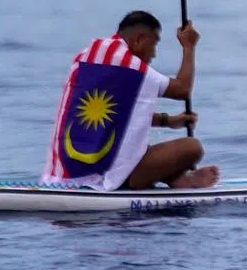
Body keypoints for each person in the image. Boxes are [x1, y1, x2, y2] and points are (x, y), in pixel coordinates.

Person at [41, 11, 220, 190]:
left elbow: (116, 114)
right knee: (192, 148)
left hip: (61, 175)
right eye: (154, 43)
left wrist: (169, 121)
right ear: (140, 40)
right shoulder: (132, 67)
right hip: (108, 178)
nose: (154, 54)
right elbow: (182, 89)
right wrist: (188, 47)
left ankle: (175, 178)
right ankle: (169, 178)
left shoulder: (83, 57)